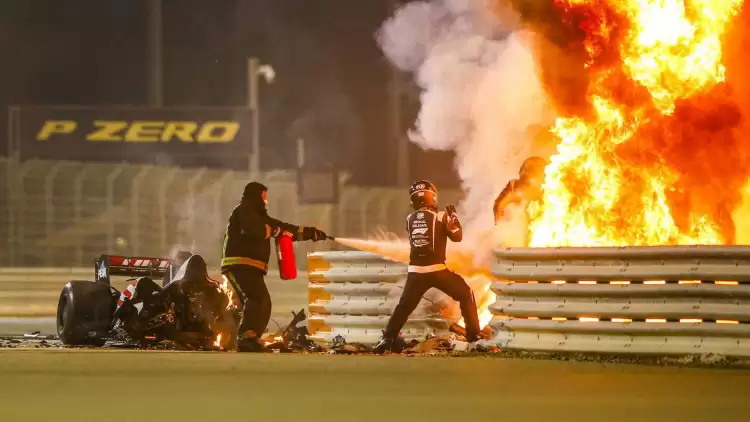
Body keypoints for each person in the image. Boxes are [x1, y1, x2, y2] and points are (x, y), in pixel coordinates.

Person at [373, 180, 481, 353]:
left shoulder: (409, 219)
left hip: (415, 272)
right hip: (436, 270)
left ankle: (387, 338)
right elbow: (457, 237)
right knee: (465, 294)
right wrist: (454, 219)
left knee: (404, 307)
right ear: (433, 197)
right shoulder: (441, 216)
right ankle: (474, 338)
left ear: (413, 201)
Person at [221, 181, 328, 352]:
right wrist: (274, 230)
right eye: (263, 197)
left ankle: (253, 337)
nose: (265, 201)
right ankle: (245, 336)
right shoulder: (243, 211)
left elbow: (284, 228)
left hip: (251, 266)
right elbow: (256, 229)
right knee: (256, 298)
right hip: (239, 263)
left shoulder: (258, 215)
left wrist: (310, 233)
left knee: (264, 302)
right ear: (256, 196)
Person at [493, 156, 547, 223]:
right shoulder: (514, 186)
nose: (527, 173)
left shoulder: (551, 190)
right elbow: (498, 206)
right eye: (526, 170)